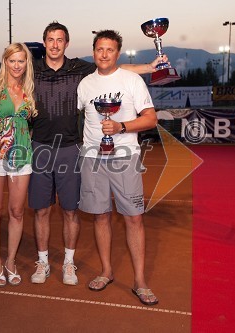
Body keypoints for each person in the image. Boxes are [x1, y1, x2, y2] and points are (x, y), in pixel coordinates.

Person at [0, 22, 165, 287]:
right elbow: (7, 75)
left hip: (71, 148)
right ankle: (43, 261)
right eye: (50, 39)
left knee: (70, 211)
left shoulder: (81, 69)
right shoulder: (32, 70)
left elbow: (114, 69)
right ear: (44, 42)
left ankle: (69, 261)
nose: (55, 44)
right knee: (41, 210)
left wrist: (149, 67)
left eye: (60, 40)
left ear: (66, 43)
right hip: (39, 147)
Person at [77, 29, 158, 306]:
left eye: (109, 49)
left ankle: (139, 281)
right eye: (99, 49)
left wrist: (122, 126)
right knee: (100, 216)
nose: (104, 54)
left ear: (118, 53)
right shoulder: (85, 84)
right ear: (93, 52)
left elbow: (150, 119)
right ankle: (106, 271)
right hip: (92, 158)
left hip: (125, 157)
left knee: (133, 217)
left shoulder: (132, 80)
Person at [0, 43, 37, 287]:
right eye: (12, 60)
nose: (16, 65)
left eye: (21, 61)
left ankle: (11, 261)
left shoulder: (30, 90)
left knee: (16, 211)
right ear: (5, 62)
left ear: (27, 64)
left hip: (22, 154)